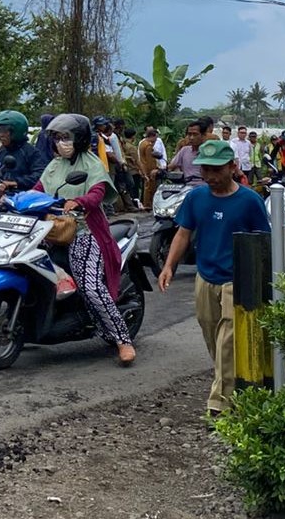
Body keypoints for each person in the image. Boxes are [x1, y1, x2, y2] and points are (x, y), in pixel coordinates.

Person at [158, 139, 270, 415]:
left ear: (232, 167)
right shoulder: (196, 197)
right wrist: (169, 266)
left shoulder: (250, 201)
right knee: (212, 336)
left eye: (216, 170)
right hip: (205, 277)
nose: (209, 176)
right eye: (205, 170)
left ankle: (220, 403)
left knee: (228, 340)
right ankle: (229, 381)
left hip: (237, 280)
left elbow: (264, 242)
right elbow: (183, 232)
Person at [34, 114, 136, 365]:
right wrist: (16, 199)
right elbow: (38, 189)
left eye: (65, 137)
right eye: (57, 138)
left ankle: (123, 340)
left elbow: (97, 193)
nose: (61, 142)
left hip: (84, 232)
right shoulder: (55, 165)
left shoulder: (91, 163)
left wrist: (80, 201)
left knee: (90, 286)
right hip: (54, 230)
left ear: (79, 139)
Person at [0, 110, 45, 193]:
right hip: (0, 196)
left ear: (16, 131)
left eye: (5, 131)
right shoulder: (1, 151)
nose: (1, 134)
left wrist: (16, 182)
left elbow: (40, 176)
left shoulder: (30, 152)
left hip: (21, 198)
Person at [138, 128, 161, 208]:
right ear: (152, 136)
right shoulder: (148, 145)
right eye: (156, 137)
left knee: (146, 187)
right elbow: (150, 160)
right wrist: (154, 169)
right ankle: (148, 204)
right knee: (149, 187)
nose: (156, 140)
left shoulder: (142, 143)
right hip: (148, 168)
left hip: (143, 166)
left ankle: (146, 203)